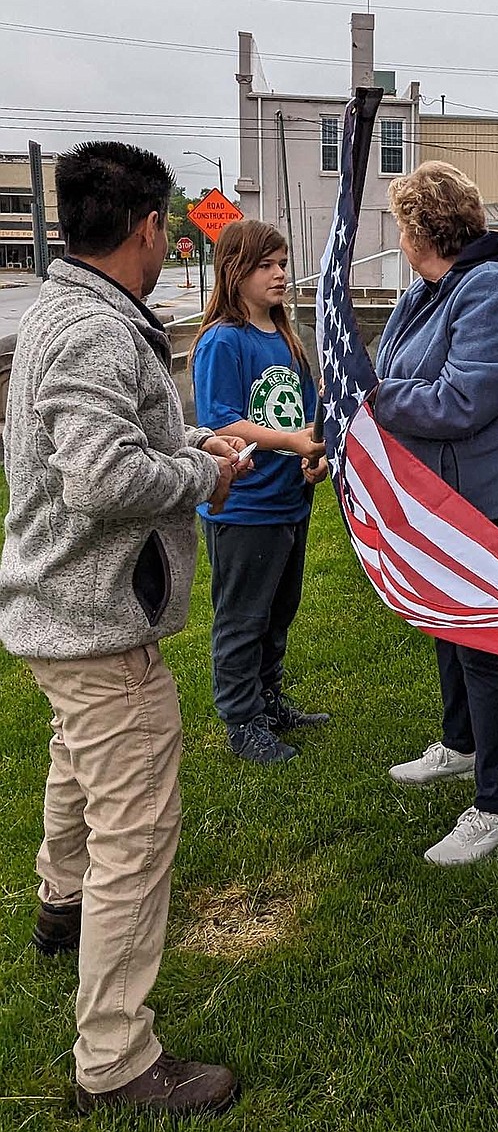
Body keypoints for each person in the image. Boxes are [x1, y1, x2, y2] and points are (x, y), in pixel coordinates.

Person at [0, 142, 243, 1115]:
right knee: (135, 833)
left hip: (56, 612)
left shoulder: (61, 309)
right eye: (168, 224)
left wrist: (186, 442)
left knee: (74, 761)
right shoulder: (97, 332)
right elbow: (103, 476)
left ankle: (59, 903)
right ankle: (115, 1058)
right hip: (95, 620)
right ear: (147, 228)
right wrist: (204, 474)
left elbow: (93, 445)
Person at [376, 161, 498, 866]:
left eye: (402, 224)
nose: (398, 238)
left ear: (423, 229)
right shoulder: (427, 291)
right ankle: (461, 745)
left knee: (480, 635)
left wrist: (375, 403)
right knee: (442, 613)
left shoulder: (495, 289)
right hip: (449, 491)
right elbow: (389, 371)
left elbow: (462, 401)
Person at [189, 220, 329, 766]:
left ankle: (269, 700)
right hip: (245, 506)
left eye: (284, 263)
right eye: (267, 265)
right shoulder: (224, 340)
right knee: (243, 617)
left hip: (289, 502)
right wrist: (292, 441)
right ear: (235, 272)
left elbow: (309, 417)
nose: (281, 274)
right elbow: (223, 425)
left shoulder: (287, 337)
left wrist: (311, 457)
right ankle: (241, 720)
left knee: (278, 610)